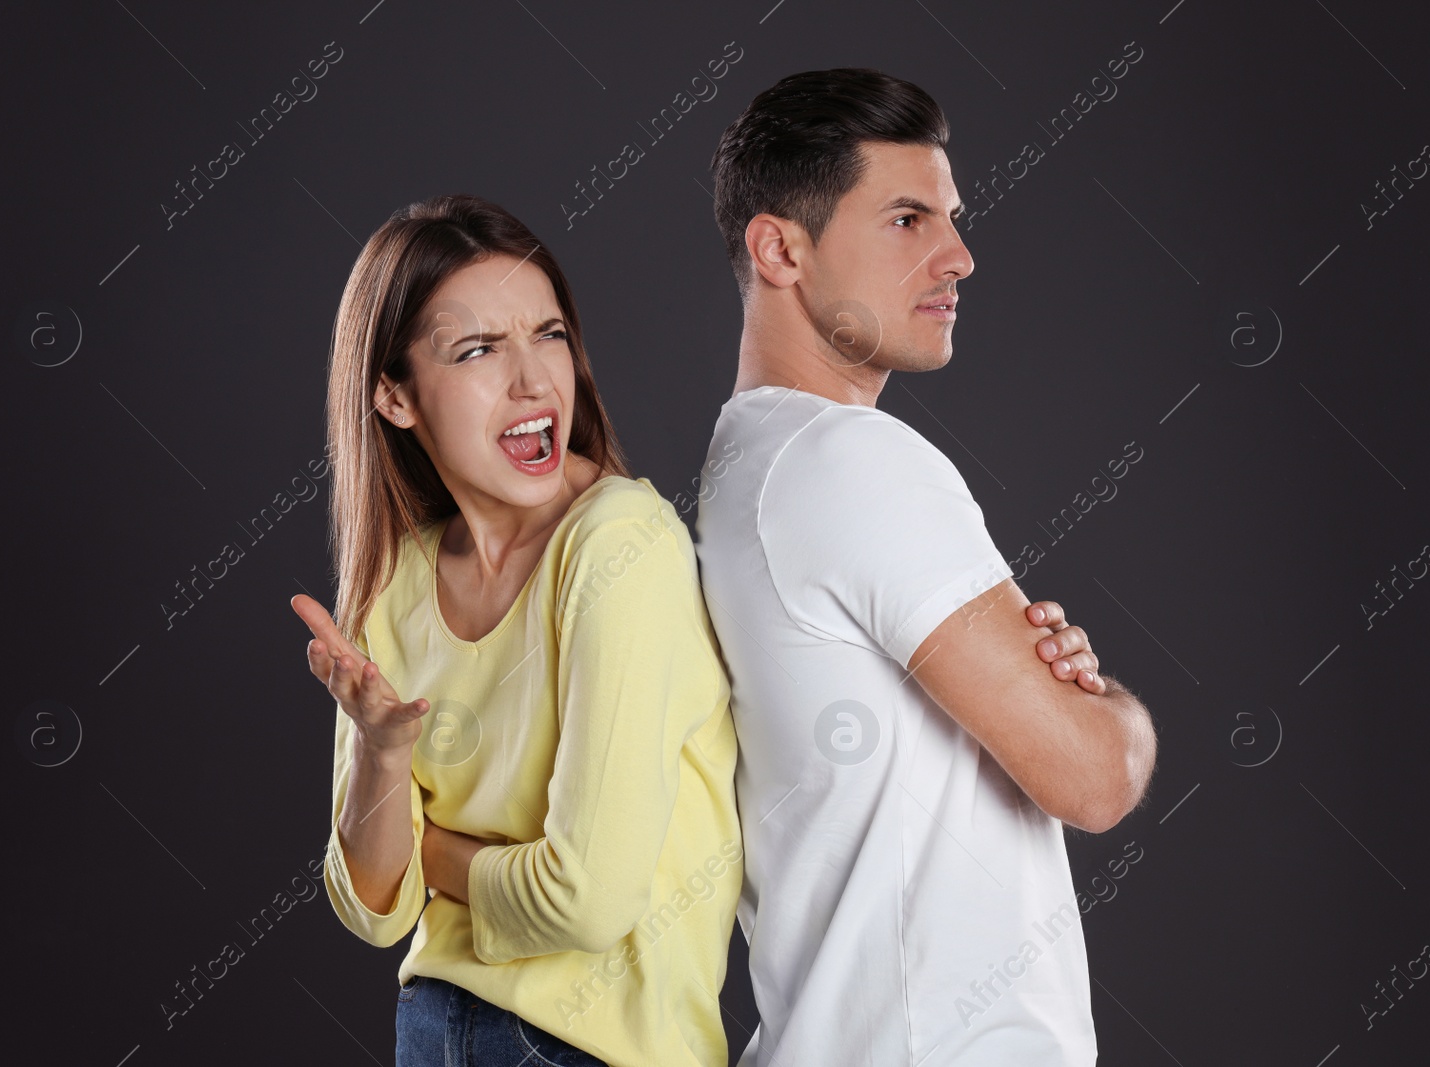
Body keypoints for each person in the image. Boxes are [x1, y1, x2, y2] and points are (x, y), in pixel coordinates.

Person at [692, 68, 1158, 1065]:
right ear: (778, 247)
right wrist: (1109, 702)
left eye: (950, 216)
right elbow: (1094, 776)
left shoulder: (746, 466)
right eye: (907, 220)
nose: (959, 256)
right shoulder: (846, 458)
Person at [292, 194, 741, 1067]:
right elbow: (371, 907)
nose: (534, 381)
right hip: (430, 1030)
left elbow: (587, 900)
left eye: (549, 334)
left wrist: (436, 854)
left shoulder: (620, 541)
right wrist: (384, 753)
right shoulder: (395, 579)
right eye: (478, 350)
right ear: (393, 395)